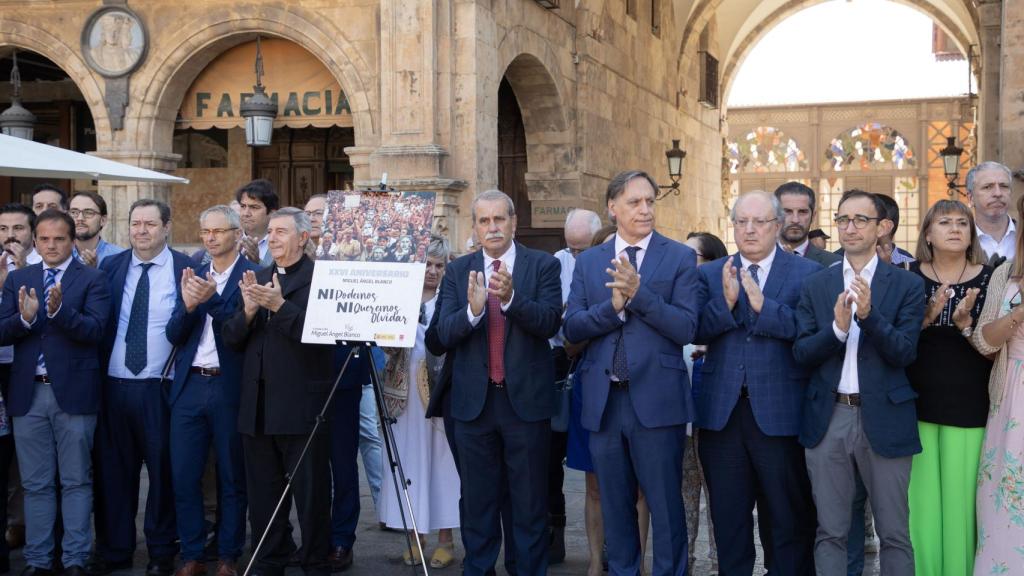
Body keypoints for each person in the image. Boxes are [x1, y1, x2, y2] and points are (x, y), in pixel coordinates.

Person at [564, 170, 701, 576]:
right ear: (613, 208)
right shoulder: (589, 262)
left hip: (657, 402)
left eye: (650, 201)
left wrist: (639, 295)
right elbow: (572, 328)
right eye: (635, 202)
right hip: (604, 402)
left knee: (665, 505)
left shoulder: (677, 256)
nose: (645, 209)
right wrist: (614, 308)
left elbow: (686, 328)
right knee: (615, 505)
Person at [794, 189, 925, 576]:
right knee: (830, 530)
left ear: (882, 227)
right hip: (830, 416)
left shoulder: (906, 285)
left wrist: (869, 317)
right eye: (843, 220)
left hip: (885, 416)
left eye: (860, 220)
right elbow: (802, 353)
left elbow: (904, 353)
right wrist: (837, 329)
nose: (849, 228)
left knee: (894, 532)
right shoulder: (817, 284)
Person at [436, 189, 561, 576]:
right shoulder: (458, 270)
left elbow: (550, 323)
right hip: (473, 406)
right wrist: (472, 313)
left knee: (528, 502)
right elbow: (438, 336)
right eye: (484, 221)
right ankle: (478, 569)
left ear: (513, 222)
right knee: (477, 502)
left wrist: (511, 300)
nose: (492, 227)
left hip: (525, 404)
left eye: (499, 219)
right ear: (474, 227)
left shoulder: (542, 266)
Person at [695, 191, 819, 576]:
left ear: (777, 226)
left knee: (785, 517)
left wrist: (766, 308)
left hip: (780, 414)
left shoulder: (807, 274)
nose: (749, 230)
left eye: (759, 222)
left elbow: (810, 333)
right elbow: (693, 328)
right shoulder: (709, 274)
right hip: (722, 416)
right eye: (741, 222)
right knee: (728, 519)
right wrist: (727, 305)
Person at [222, 208, 333, 576]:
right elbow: (233, 339)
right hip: (257, 408)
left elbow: (323, 338)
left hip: (302, 408)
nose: (272, 237)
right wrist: (250, 312)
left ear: (303, 237)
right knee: (263, 496)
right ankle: (268, 560)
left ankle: (316, 561)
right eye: (270, 231)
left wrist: (280, 307)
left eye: (282, 231)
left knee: (311, 495)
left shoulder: (322, 278)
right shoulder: (260, 275)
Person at [0, 209, 109, 576]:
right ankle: (38, 561)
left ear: (72, 239)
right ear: (34, 238)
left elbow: (95, 331)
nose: (50, 245)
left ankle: (76, 558)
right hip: (27, 395)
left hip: (75, 395)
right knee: (35, 485)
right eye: (44, 238)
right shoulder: (19, 279)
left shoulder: (93, 279)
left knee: (77, 480)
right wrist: (26, 319)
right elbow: (2, 330)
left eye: (59, 239)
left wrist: (60, 312)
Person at [91, 199, 191, 576]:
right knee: (114, 473)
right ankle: (116, 550)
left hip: (161, 388)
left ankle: (161, 551)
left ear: (166, 227)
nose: (141, 231)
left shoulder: (186, 267)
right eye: (135, 224)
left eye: (150, 224)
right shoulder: (111, 266)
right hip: (115, 386)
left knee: (164, 473)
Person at [165, 206, 257, 576]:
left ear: (237, 234)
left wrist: (210, 300)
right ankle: (191, 554)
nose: (210, 238)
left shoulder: (250, 276)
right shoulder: (193, 274)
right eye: (205, 231)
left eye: (218, 231)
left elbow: (238, 333)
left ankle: (228, 555)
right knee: (184, 474)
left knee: (231, 475)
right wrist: (188, 306)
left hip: (228, 385)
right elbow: (174, 334)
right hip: (189, 385)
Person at [905, 200, 991, 576]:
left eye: (962, 223)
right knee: (921, 505)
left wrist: (966, 325)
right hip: (914, 404)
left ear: (971, 233)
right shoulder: (907, 276)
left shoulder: (993, 278)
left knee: (960, 504)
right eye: (945, 222)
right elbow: (892, 340)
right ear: (928, 233)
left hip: (970, 404)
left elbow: (996, 345)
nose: (955, 228)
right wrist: (925, 319)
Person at [378, 237, 460, 568]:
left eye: (439, 266)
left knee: (442, 463)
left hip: (440, 390)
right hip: (404, 391)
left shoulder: (449, 300)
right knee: (408, 460)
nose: (433, 271)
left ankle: (445, 538)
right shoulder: (399, 297)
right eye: (427, 264)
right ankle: (414, 535)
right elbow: (383, 343)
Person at [965, 192, 1024, 575]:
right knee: (1006, 498)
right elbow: (984, 338)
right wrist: (1018, 313)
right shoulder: (1007, 273)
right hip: (1013, 397)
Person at [547, 208, 602, 564]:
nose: (576, 256)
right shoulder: (556, 262)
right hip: (556, 361)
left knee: (600, 461)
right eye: (572, 248)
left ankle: (614, 544)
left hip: (594, 361)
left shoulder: (603, 259)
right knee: (550, 457)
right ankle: (554, 535)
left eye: (582, 249)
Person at [681, 232, 726, 574]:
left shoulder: (725, 296)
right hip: (681, 420)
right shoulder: (675, 295)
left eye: (693, 254)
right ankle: (684, 563)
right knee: (683, 497)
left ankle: (718, 563)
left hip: (715, 418)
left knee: (719, 498)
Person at [0, 203, 40, 559]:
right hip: (2, 375)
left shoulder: (42, 270)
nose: (10, 236)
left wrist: (21, 278)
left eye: (18, 228)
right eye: (3, 229)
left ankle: (25, 526)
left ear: (32, 233)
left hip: (28, 375)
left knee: (26, 462)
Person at [773, 181, 840, 267]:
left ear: (813, 216)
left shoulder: (834, 264)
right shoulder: (757, 261)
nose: (795, 220)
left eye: (802, 212)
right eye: (787, 212)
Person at [966, 161, 1015, 266]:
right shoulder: (960, 240)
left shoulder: (1021, 234)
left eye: (1004, 186)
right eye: (987, 187)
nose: (998, 193)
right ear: (970, 198)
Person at [69, 192, 125, 267]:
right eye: (74, 212)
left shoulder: (119, 257)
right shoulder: (59, 254)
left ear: (103, 220)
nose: (80, 218)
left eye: (88, 213)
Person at [235, 179, 279, 268]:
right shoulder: (230, 239)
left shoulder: (282, 242)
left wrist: (257, 262)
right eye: (243, 206)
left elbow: (284, 279)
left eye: (254, 207)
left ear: (272, 213)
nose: (246, 213)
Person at [875, 194, 915, 268]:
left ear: (886, 226)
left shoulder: (908, 263)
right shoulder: (852, 258)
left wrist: (886, 268)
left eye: (865, 220)